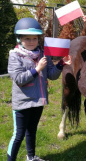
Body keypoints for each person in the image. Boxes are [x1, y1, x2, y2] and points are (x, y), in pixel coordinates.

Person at [7, 18, 71, 161]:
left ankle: (31, 157)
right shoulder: (14, 56)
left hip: (38, 101)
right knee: (18, 134)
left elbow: (52, 75)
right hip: (22, 102)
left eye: (34, 38)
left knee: (32, 130)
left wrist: (61, 64)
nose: (31, 42)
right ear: (19, 39)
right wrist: (37, 69)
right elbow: (19, 79)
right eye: (27, 39)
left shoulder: (44, 54)